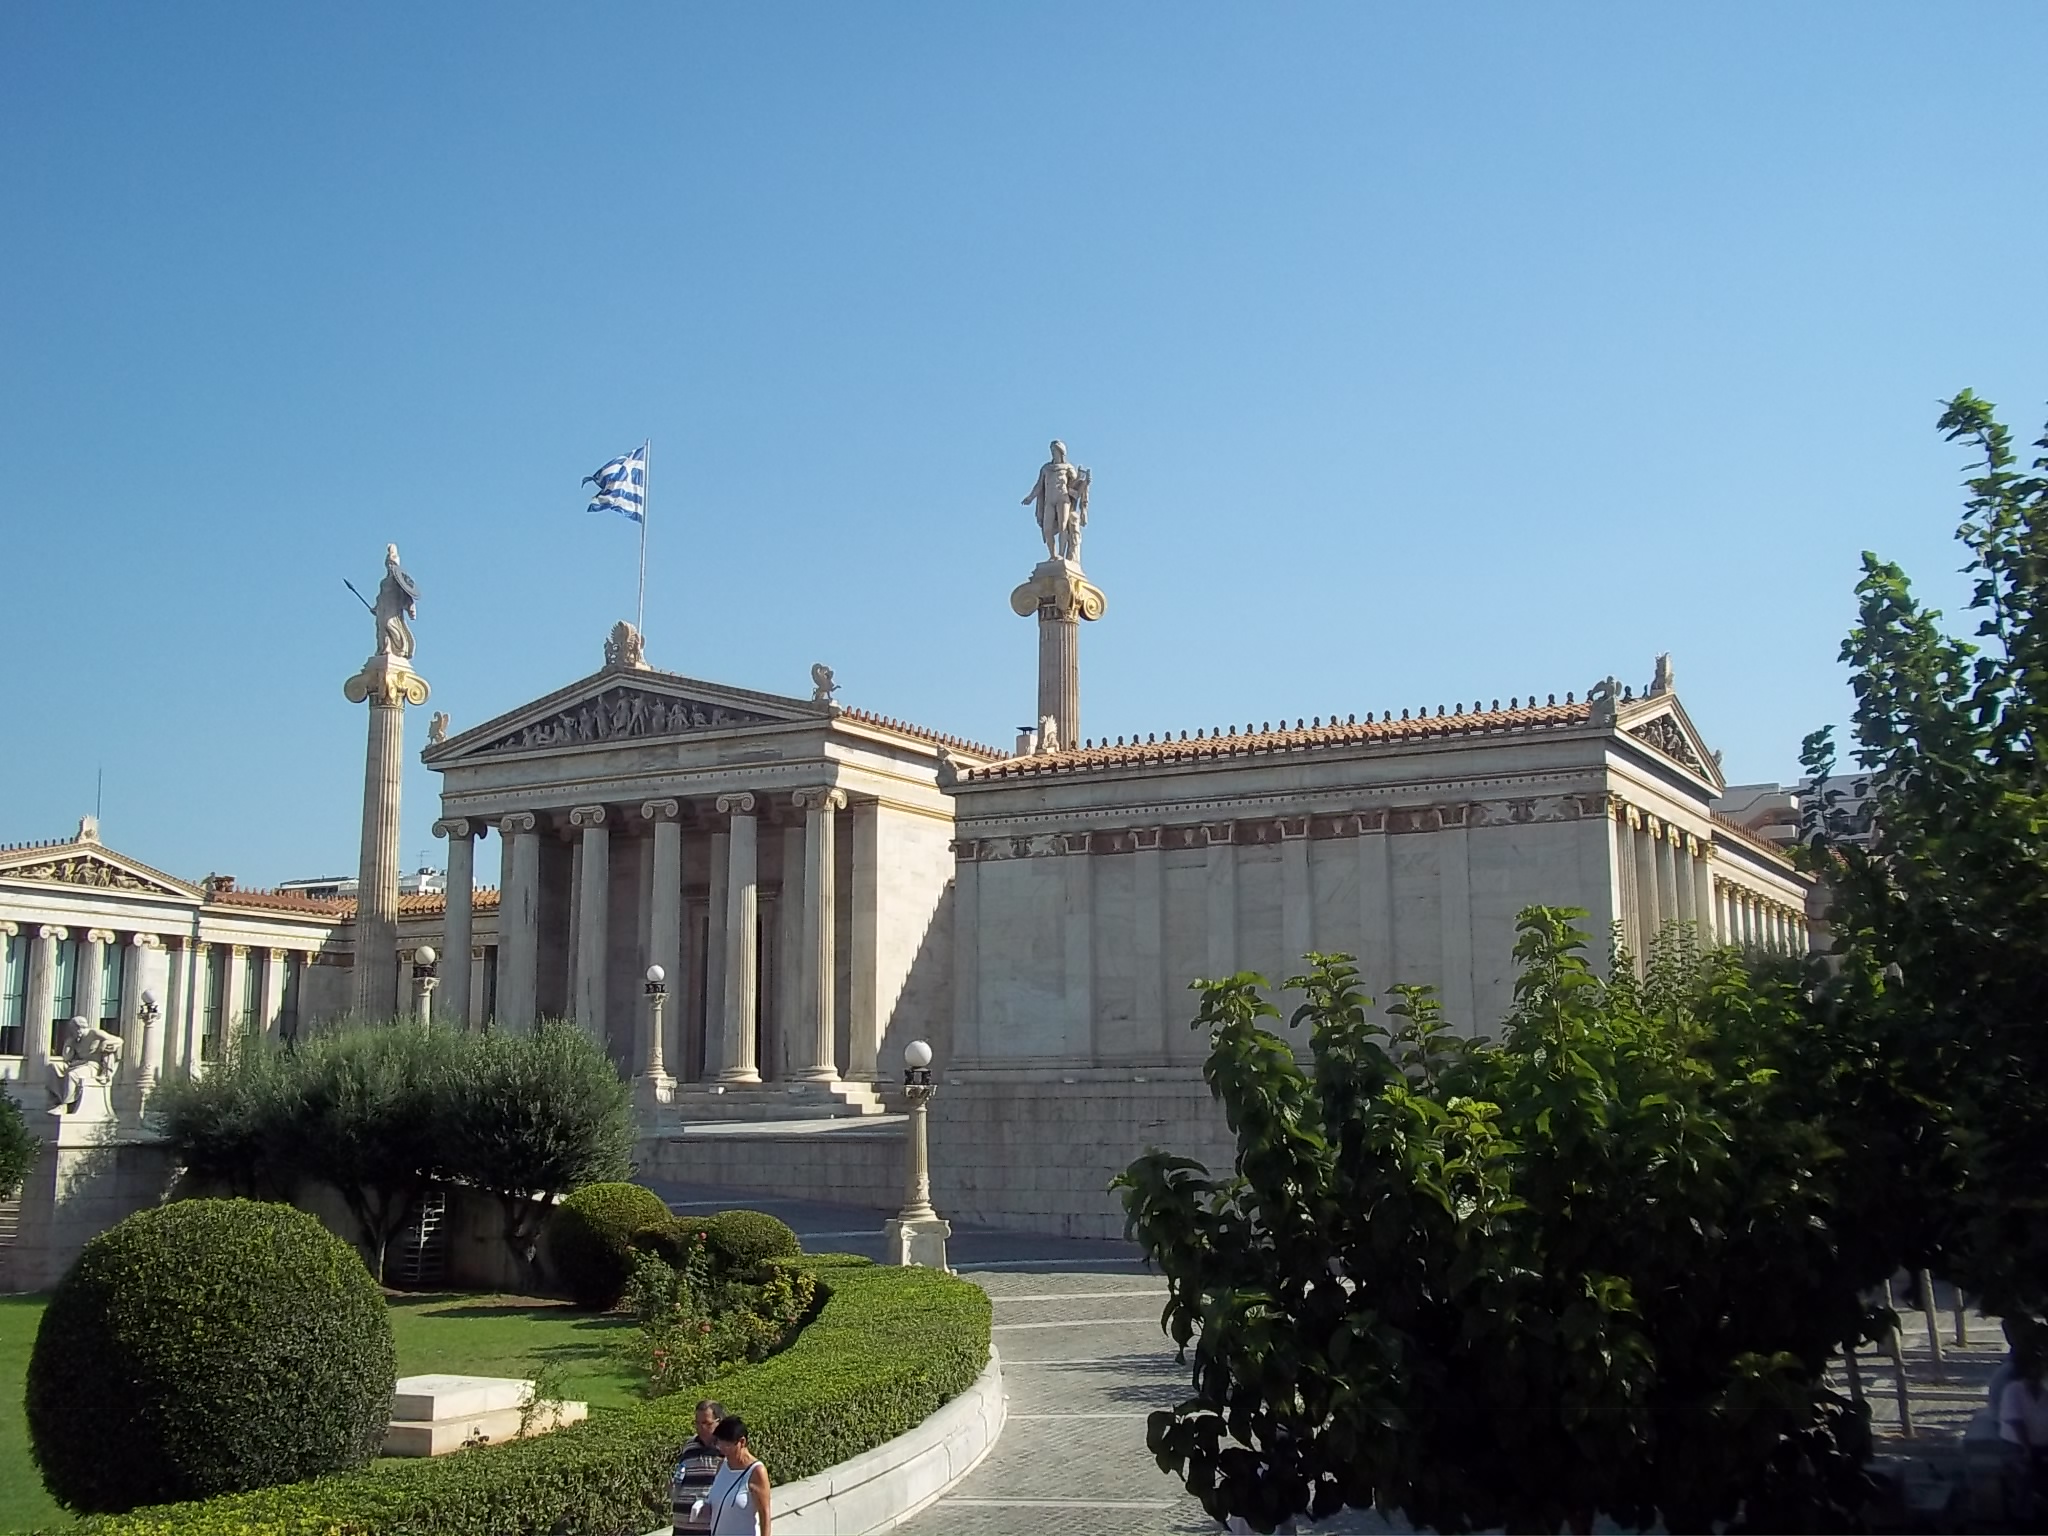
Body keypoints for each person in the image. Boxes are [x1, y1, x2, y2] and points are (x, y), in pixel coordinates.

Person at [1998, 1335, 2048, 1519]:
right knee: (2025, 1473)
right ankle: (2023, 1517)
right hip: (2017, 1446)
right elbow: (2016, 1423)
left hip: (2042, 1445)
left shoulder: (2045, 1391)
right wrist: (2028, 1450)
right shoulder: (2013, 1391)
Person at [705, 1414, 772, 1535]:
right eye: (719, 1444)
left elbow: (764, 1514)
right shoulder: (722, 1465)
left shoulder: (756, 1471)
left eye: (727, 1445)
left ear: (742, 1442)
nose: (722, 1449)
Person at [669, 1399, 726, 1535]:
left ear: (718, 1422)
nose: (701, 1428)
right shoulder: (689, 1445)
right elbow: (682, 1474)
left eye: (706, 1423)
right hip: (681, 1526)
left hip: (709, 1527)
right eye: (697, 1423)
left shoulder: (726, 1449)